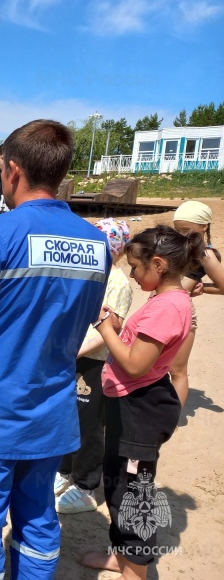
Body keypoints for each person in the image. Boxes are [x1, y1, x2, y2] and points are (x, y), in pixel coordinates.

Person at [0, 119, 111, 579]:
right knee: (38, 519)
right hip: (52, 413)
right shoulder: (96, 243)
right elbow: (83, 317)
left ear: (11, 171)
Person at [81, 226, 204, 579]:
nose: (133, 275)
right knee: (119, 483)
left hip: (140, 409)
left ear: (159, 264)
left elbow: (135, 364)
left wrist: (105, 327)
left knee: (132, 495)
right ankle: (124, 558)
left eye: (136, 268)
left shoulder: (168, 307)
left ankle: (135, 570)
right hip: (134, 406)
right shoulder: (167, 300)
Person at [56, 219, 133, 515]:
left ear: (116, 250)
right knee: (64, 413)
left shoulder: (118, 283)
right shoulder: (85, 275)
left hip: (93, 361)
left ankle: (87, 485)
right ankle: (63, 470)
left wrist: (72, 351)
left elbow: (108, 329)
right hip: (69, 355)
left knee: (88, 424)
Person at [169, 200, 224, 406]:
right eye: (177, 230)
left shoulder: (206, 254)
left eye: (186, 230)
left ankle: (172, 421)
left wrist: (200, 289)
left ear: (204, 227)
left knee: (177, 370)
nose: (181, 235)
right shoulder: (178, 249)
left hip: (181, 314)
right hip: (163, 309)